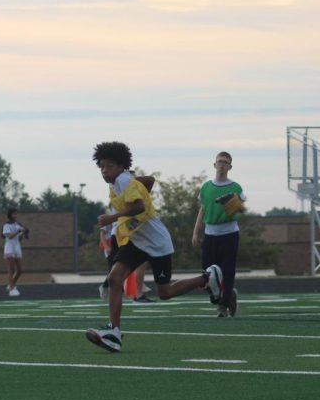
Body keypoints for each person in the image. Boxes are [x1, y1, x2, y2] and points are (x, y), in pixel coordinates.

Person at [85, 141, 222, 353]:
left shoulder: (123, 180)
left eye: (109, 166)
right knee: (114, 278)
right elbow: (149, 180)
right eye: (101, 166)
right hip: (137, 241)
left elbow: (139, 205)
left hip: (157, 243)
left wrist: (112, 217)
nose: (104, 171)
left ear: (121, 166)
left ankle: (207, 278)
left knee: (164, 292)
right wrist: (139, 189)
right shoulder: (122, 180)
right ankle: (114, 332)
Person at [192, 151, 246, 313]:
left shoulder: (235, 187)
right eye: (220, 161)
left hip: (229, 234)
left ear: (230, 167)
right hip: (210, 235)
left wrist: (232, 202)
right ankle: (220, 296)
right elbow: (202, 210)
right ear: (214, 165)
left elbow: (242, 209)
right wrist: (195, 232)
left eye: (225, 162)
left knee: (228, 270)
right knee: (207, 272)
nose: (222, 164)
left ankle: (224, 304)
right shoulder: (206, 187)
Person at [2, 208, 26, 297]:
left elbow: (19, 239)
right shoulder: (6, 225)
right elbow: (10, 236)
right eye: (14, 214)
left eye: (16, 214)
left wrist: (23, 233)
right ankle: (12, 289)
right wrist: (18, 231)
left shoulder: (17, 225)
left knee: (20, 270)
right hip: (9, 248)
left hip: (17, 248)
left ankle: (11, 284)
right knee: (11, 269)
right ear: (10, 215)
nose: (15, 215)